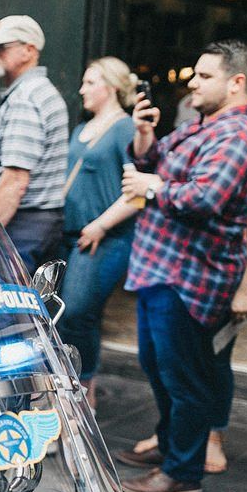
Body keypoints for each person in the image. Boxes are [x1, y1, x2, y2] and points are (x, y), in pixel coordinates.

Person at [114, 40, 247, 492]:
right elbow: (152, 162)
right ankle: (171, 445)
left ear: (237, 83)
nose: (192, 83)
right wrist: (144, 136)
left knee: (185, 378)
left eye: (204, 76)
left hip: (191, 277)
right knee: (159, 367)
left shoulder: (238, 136)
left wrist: (154, 186)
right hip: (160, 268)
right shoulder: (201, 126)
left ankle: (182, 473)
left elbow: (203, 198)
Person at [56, 57, 139, 409]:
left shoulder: (125, 128)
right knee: (67, 314)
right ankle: (67, 386)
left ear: (112, 87)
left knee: (78, 312)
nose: (82, 90)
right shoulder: (82, 128)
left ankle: (84, 389)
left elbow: (137, 192)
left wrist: (101, 224)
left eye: (90, 83)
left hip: (106, 236)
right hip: (70, 232)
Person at [0, 15, 69, 274]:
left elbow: (15, 182)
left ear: (29, 51)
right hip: (29, 223)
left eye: (0, 47)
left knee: (7, 300)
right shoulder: (38, 91)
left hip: (19, 224)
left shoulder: (25, 98)